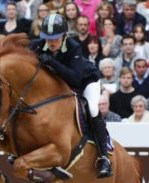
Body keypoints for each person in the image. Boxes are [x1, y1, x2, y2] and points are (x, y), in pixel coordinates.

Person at [29, 14, 112, 178]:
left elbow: (75, 78)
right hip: (58, 85)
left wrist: (52, 62)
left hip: (85, 82)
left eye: (55, 38)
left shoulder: (74, 47)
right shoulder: (37, 46)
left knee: (93, 109)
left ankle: (104, 158)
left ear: (64, 35)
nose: (51, 42)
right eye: (48, 38)